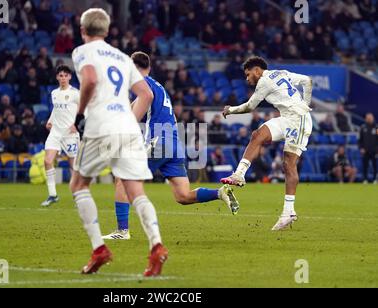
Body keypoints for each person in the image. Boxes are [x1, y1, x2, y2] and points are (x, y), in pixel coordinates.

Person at [70, 8, 167, 277]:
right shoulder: (122, 57)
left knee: (78, 184)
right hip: (128, 127)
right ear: (107, 30)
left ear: (83, 30)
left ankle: (99, 249)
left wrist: (79, 114)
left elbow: (89, 79)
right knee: (136, 190)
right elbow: (145, 94)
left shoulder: (82, 51)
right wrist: (126, 117)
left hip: (101, 125)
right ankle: (156, 246)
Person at [102, 52, 236, 241]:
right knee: (182, 195)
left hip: (159, 141)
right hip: (175, 144)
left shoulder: (142, 84)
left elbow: (144, 99)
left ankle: (122, 231)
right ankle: (219, 193)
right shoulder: (158, 85)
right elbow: (135, 104)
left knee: (122, 177)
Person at [221, 56, 313, 231]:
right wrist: (305, 103)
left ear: (257, 70)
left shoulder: (264, 81)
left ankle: (288, 211)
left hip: (299, 120)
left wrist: (230, 110)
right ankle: (239, 174)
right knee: (257, 135)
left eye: (248, 75)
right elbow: (307, 81)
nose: (247, 79)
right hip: (288, 118)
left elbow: (250, 106)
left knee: (289, 164)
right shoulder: (281, 73)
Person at [41, 65, 80, 207]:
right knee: (47, 161)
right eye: (60, 75)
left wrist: (78, 124)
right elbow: (56, 110)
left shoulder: (75, 93)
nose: (63, 78)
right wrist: (50, 121)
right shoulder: (54, 93)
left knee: (73, 166)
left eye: (66, 75)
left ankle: (77, 197)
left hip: (70, 134)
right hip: (56, 132)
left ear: (70, 77)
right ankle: (52, 195)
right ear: (57, 77)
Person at [359, 113, 377, 184]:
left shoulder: (376, 127)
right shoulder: (363, 127)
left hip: (374, 151)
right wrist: (361, 148)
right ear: (366, 119)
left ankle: (375, 179)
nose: (369, 119)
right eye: (367, 118)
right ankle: (365, 179)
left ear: (373, 118)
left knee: (375, 165)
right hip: (365, 150)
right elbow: (360, 139)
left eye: (370, 118)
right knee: (365, 166)